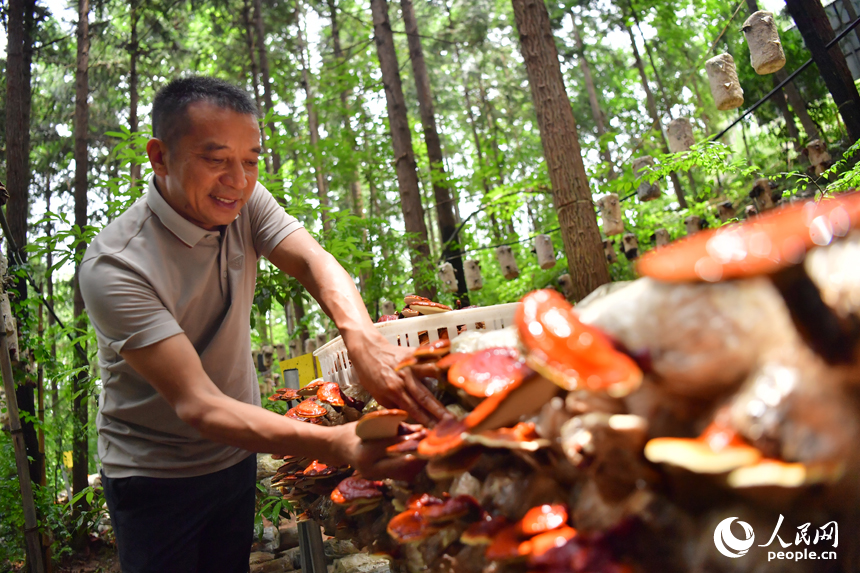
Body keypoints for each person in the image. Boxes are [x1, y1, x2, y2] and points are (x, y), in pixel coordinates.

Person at [79, 76, 447, 573]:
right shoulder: (116, 267)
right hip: (154, 477)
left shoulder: (244, 202)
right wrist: (336, 443)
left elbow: (314, 261)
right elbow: (199, 403)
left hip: (236, 456)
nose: (238, 179)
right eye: (215, 159)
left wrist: (360, 336)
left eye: (250, 159)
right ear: (160, 157)